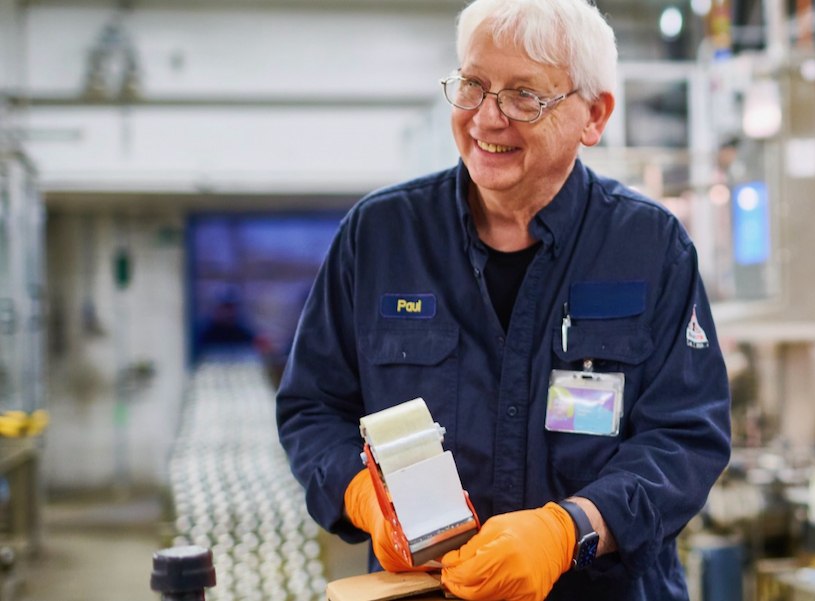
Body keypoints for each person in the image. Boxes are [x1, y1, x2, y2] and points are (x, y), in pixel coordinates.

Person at [274, 1, 731, 599]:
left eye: (524, 97)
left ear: (593, 116)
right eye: (473, 86)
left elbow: (685, 438)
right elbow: (313, 409)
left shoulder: (651, 249)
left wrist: (570, 531)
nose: (486, 120)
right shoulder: (380, 238)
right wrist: (363, 495)